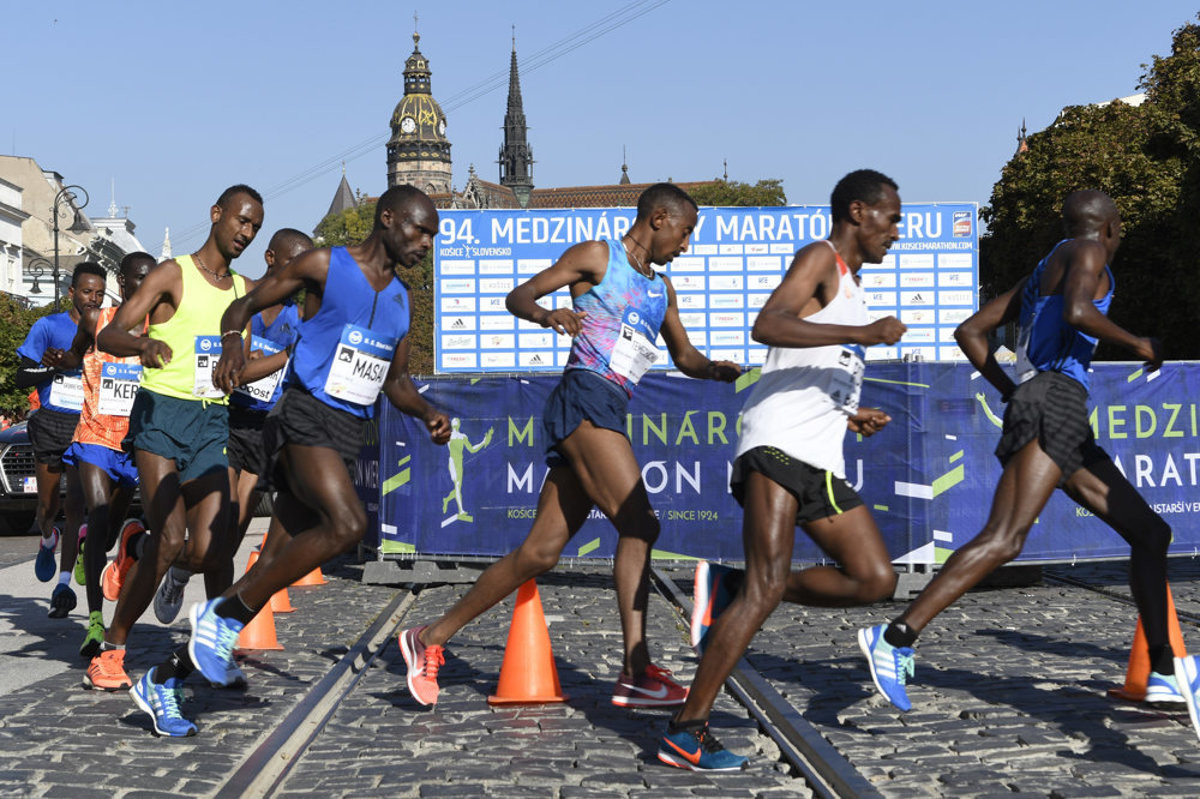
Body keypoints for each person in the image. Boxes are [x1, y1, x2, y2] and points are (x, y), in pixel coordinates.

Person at [398, 182, 742, 709]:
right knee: (641, 524)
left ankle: (428, 637)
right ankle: (636, 669)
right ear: (659, 218)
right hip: (584, 396)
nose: (687, 244)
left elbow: (685, 355)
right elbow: (520, 296)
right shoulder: (598, 257)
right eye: (686, 231)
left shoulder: (662, 290)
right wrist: (547, 315)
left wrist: (713, 369)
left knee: (539, 553)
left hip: (607, 406)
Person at [125, 184, 450, 737]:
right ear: (388, 218)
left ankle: (164, 678)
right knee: (348, 525)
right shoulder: (326, 265)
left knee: (270, 570)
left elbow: (395, 382)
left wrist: (427, 411)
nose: (426, 244)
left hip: (345, 434)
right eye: (420, 231)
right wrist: (233, 342)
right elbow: (243, 305)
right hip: (302, 417)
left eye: (432, 237)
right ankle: (212, 619)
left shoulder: (402, 300)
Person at [857, 190, 1183, 723]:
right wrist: (1139, 343)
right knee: (1005, 538)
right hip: (1055, 402)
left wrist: (1013, 390)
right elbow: (1078, 312)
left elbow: (970, 331)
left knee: (1150, 533)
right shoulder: (1088, 251)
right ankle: (895, 637)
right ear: (1108, 228)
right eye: (1119, 230)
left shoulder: (1041, 272)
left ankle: (1164, 671)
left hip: (1050, 406)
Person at [658, 169, 907, 771]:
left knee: (875, 579)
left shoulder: (851, 285)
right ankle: (686, 730)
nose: (896, 231)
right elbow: (768, 325)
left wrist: (848, 412)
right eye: (891, 218)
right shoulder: (820, 258)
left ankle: (733, 586)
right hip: (775, 447)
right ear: (858, 211)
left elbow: (809, 362)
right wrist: (864, 332)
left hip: (819, 455)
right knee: (768, 588)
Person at [83, 185, 264, 695]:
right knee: (170, 539)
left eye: (255, 227)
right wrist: (142, 344)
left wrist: (278, 360)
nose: (246, 233)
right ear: (216, 214)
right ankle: (112, 649)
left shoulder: (243, 292)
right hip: (161, 415)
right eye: (241, 220)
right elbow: (109, 334)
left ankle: (139, 553)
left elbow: (236, 370)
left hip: (211, 421)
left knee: (213, 549)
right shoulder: (172, 274)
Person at [151, 228, 314, 625]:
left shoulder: (301, 316)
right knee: (216, 527)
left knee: (229, 541)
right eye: (295, 263)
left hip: (265, 429)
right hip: (226, 418)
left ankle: (198, 602)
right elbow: (227, 364)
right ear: (271, 258)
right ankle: (181, 574)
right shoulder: (243, 301)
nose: (302, 273)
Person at [58, 252, 155, 656]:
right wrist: (59, 362)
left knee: (111, 531)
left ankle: (104, 549)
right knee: (97, 518)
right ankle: (95, 621)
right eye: (139, 278)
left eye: (152, 279)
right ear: (123, 281)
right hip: (95, 435)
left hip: (135, 445)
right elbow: (75, 354)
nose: (146, 286)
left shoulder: (161, 328)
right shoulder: (95, 320)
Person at [15, 262, 107, 617]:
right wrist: (55, 367)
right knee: (48, 507)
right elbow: (22, 376)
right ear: (71, 292)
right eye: (87, 291)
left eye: (99, 293)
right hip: (52, 422)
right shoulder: (48, 326)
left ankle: (63, 584)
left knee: (77, 506)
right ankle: (47, 537)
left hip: (88, 423)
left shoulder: (106, 330)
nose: (93, 299)